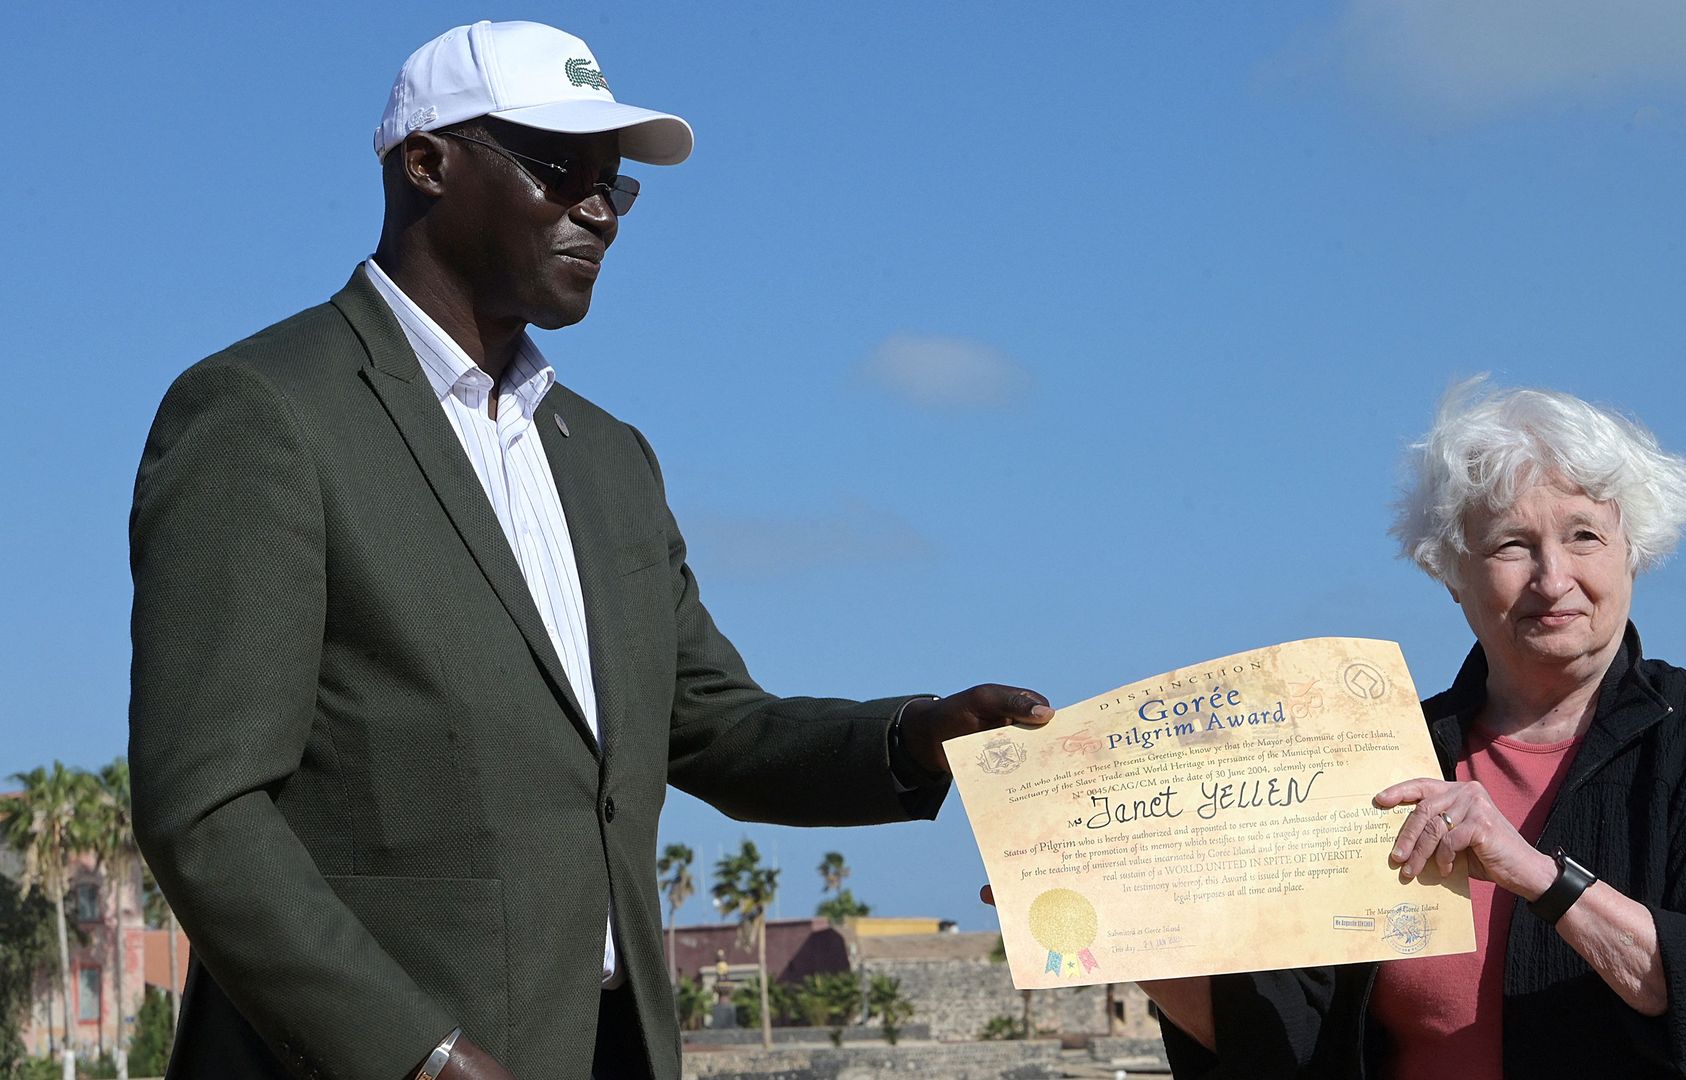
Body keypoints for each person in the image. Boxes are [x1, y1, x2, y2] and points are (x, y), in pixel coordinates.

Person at [128, 21, 1049, 1080]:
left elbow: (710, 725)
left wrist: (915, 739)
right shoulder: (266, 415)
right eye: (564, 171)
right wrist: (418, 1056)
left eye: (617, 186)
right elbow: (207, 812)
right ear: (427, 162)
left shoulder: (609, 459)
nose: (601, 212)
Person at [1147, 379, 1686, 1078]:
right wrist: (1121, 928)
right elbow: (1289, 1040)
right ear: (1451, 575)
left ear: (1634, 553)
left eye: (1584, 535)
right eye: (1511, 545)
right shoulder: (1380, 757)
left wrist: (1533, 873)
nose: (1552, 577)